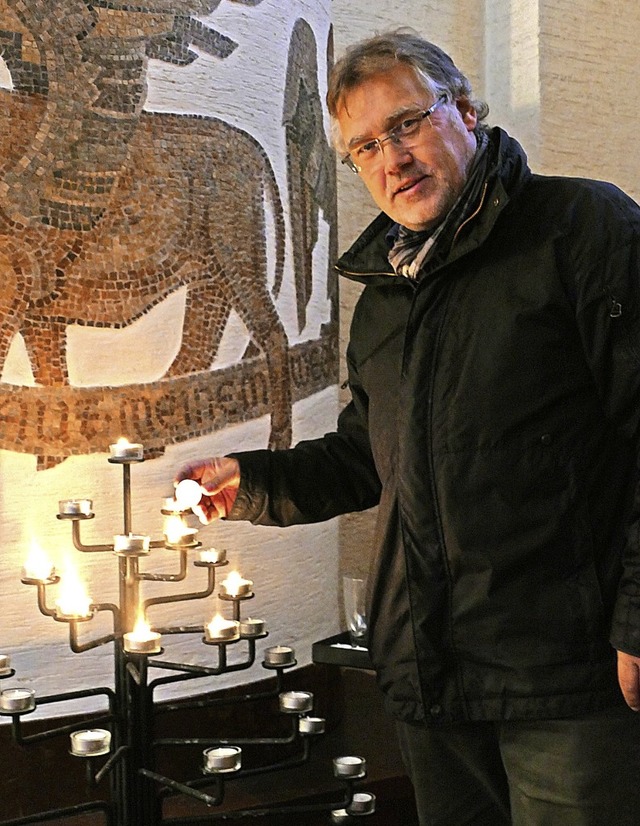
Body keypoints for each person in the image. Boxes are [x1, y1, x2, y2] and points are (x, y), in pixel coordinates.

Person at [175, 29, 640, 826]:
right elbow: (370, 456)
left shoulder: (583, 227)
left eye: (407, 124)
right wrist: (252, 482)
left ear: (463, 110)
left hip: (567, 676)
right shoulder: (387, 296)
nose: (391, 158)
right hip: (429, 671)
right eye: (364, 147)